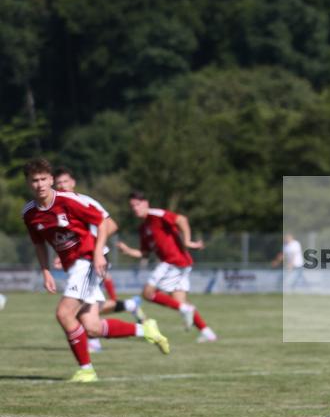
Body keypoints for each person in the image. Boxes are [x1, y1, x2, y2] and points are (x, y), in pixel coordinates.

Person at [21, 159, 169, 382]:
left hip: (89, 260)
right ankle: (146, 330)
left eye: (44, 179)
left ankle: (87, 370)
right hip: (74, 266)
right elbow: (39, 243)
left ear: (51, 180)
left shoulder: (70, 201)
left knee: (64, 313)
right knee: (92, 328)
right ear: (28, 183)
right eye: (35, 180)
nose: (40, 184)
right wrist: (46, 271)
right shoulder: (29, 213)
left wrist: (98, 253)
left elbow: (102, 222)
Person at [53, 167, 147, 352]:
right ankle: (131, 311)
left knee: (72, 308)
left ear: (73, 182)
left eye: (65, 182)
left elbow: (111, 225)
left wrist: (93, 248)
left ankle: (93, 346)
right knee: (85, 307)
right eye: (59, 184)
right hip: (81, 260)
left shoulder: (85, 201)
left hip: (93, 259)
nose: (62, 186)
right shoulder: (59, 208)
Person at [117, 192, 217, 342]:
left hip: (173, 261)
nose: (135, 209)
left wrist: (187, 241)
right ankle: (208, 333)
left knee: (147, 293)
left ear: (146, 203)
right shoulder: (143, 228)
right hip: (180, 263)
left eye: (138, 205)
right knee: (180, 302)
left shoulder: (156, 215)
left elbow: (181, 219)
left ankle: (186, 311)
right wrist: (128, 251)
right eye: (132, 206)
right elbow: (144, 253)